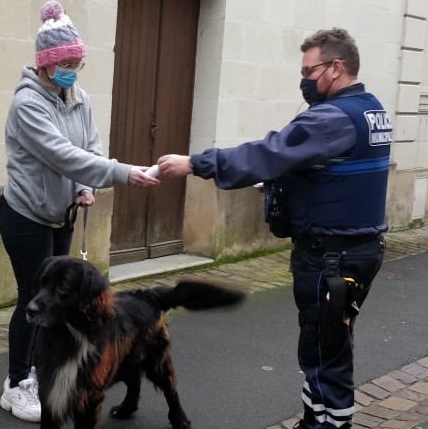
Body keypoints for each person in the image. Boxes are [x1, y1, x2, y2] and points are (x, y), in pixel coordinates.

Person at [158, 28, 392, 429]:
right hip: (355, 249)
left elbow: (270, 151)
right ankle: (313, 420)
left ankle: (328, 425)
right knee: (325, 344)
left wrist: (196, 163)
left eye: (309, 69)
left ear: (336, 67)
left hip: (330, 257)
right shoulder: (370, 109)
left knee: (325, 350)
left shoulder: (331, 118)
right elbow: (327, 170)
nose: (303, 79)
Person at [0, 0, 160, 423]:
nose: (72, 69)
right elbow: (63, 156)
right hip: (26, 215)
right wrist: (123, 173)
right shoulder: (27, 105)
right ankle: (17, 383)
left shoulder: (77, 96)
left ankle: (42, 370)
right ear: (46, 63)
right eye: (66, 62)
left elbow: (89, 148)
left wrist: (87, 186)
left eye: (77, 61)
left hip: (62, 213)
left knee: (57, 302)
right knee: (32, 301)